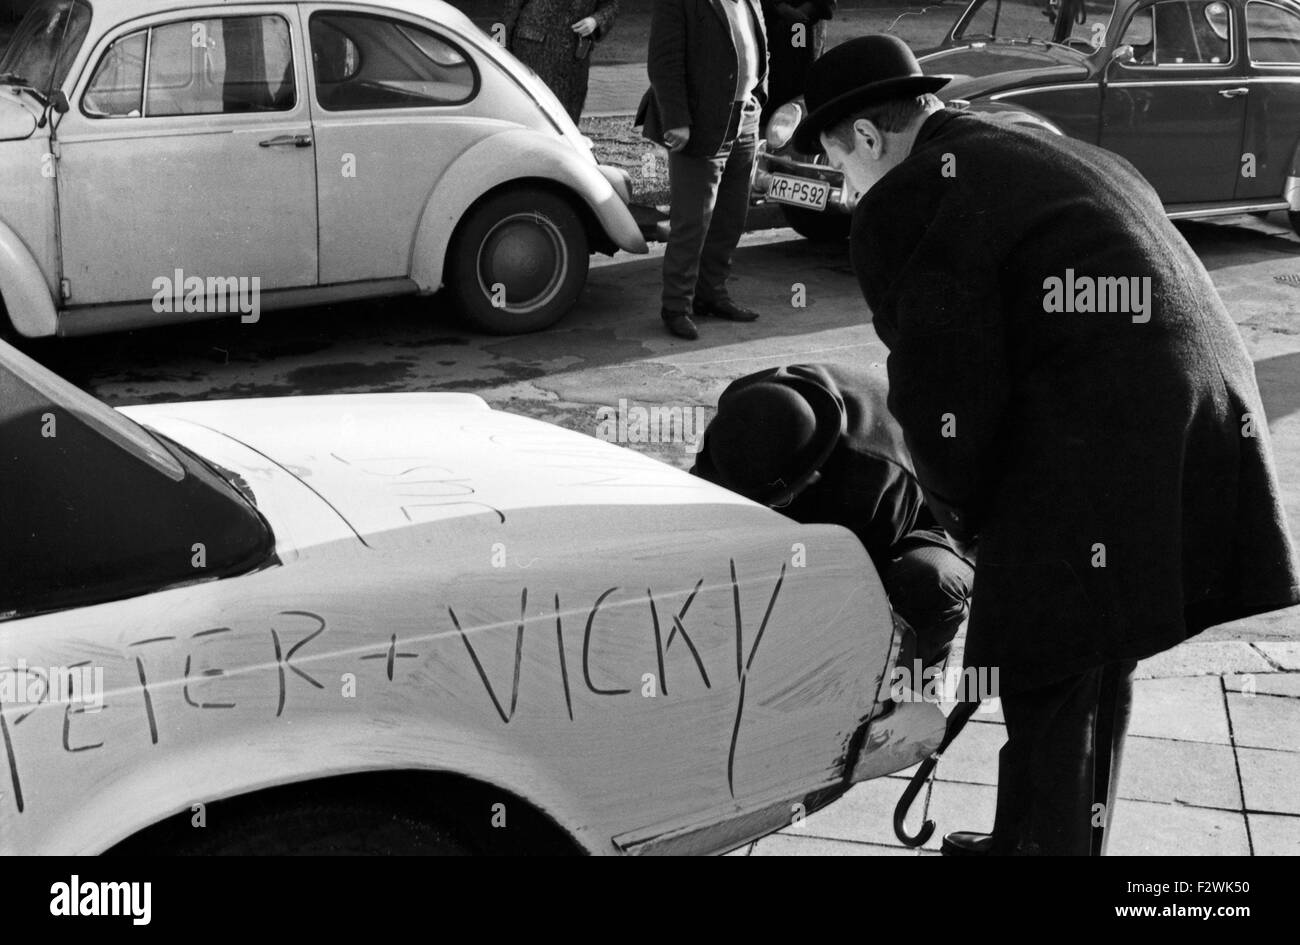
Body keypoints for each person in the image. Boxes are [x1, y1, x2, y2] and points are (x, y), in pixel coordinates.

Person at [791, 34, 1300, 855]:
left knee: (1049, 661)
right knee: (1095, 654)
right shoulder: (1016, 141)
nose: (845, 188)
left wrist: (957, 511)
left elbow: (944, 387)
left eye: (834, 163)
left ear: (867, 139)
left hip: (1109, 427)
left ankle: (1045, 849)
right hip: (1195, 409)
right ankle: (1032, 837)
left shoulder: (907, 199)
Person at [691, 363, 974, 670]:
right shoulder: (746, 412)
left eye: (777, 500)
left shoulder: (875, 476)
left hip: (947, 512)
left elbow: (853, 585)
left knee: (925, 581)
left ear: (811, 476)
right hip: (836, 486)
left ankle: (915, 692)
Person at [637, 0, 768, 340]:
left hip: (746, 119)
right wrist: (677, 120)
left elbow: (761, 46)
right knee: (693, 221)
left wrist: (759, 93)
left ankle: (712, 295)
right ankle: (676, 307)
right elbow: (664, 63)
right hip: (699, 124)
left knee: (730, 218)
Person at [502, 0, 620, 123]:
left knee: (568, 121)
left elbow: (611, 5)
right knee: (530, 118)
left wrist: (595, 21)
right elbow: (507, 11)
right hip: (531, 53)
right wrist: (497, 51)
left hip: (574, 59)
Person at [759, 0, 835, 127]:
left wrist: (809, 7)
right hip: (770, 23)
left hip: (802, 25)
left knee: (801, 77)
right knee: (771, 76)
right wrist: (778, 7)